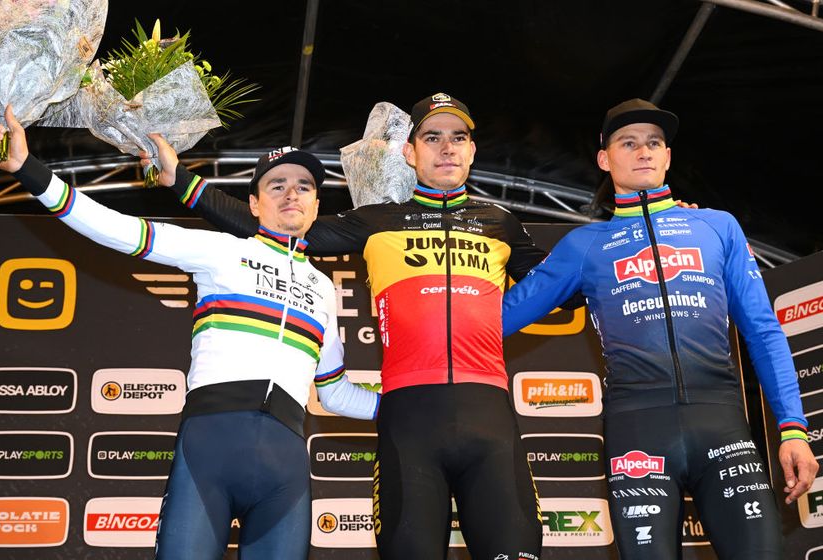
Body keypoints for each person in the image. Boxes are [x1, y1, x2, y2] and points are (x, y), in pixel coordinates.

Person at [151, 93, 557, 559]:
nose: (447, 148)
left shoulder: (500, 222)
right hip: (408, 420)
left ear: (471, 150)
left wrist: (497, 315)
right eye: (432, 137)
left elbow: (562, 290)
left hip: (491, 416)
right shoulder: (377, 220)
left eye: (458, 138)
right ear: (410, 152)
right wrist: (182, 182)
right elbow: (274, 227)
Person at [0, 105, 380, 560]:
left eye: (304, 186)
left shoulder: (323, 289)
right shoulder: (219, 249)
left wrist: (408, 407)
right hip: (209, 453)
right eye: (277, 185)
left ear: (316, 205)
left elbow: (335, 394)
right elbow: (116, 229)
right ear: (254, 203)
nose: (292, 194)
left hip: (285, 469)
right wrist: (28, 170)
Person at [501, 98, 818, 559]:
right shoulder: (585, 245)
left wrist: (792, 428)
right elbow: (496, 318)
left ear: (668, 156)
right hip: (638, 433)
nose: (643, 151)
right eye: (628, 143)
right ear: (605, 160)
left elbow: (764, 332)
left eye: (654, 143)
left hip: (722, 424)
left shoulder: (716, 227)